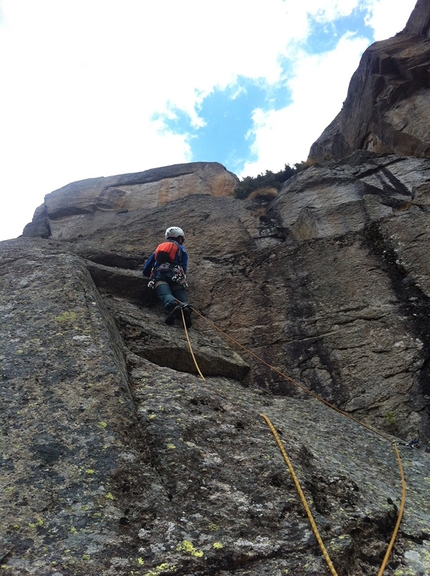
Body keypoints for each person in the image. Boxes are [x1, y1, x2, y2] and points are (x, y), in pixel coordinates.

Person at [143, 226, 192, 327]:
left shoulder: (159, 247)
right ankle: (185, 306)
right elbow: (184, 265)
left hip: (160, 274)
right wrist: (183, 277)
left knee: (165, 293)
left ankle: (173, 306)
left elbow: (148, 265)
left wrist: (146, 273)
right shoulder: (182, 249)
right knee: (179, 292)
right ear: (180, 238)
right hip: (176, 274)